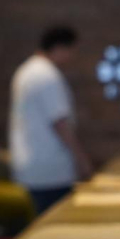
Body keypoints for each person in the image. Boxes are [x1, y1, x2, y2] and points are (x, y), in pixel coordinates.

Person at [8, 26, 92, 214]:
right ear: (60, 47)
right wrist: (82, 161)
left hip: (32, 165)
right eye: (72, 51)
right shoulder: (46, 75)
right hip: (50, 170)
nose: (72, 57)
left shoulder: (27, 70)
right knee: (54, 223)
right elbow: (60, 123)